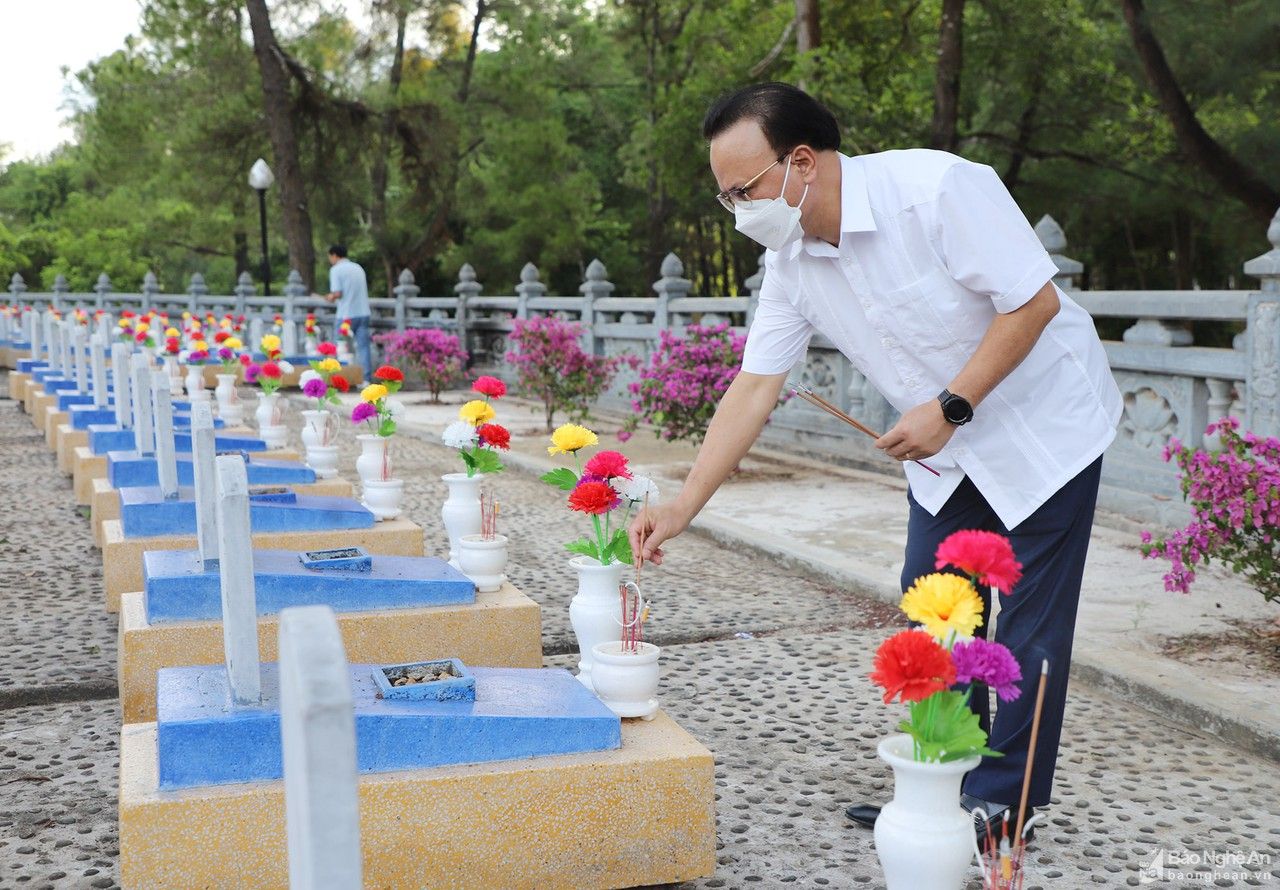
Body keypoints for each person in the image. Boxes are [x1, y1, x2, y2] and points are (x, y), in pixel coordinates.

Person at [627, 82, 1122, 848]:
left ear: (800, 161)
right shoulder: (792, 263)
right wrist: (683, 505)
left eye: (744, 190)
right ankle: (945, 783)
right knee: (933, 609)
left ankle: (1003, 803)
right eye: (725, 198)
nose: (739, 211)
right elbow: (755, 386)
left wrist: (952, 406)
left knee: (1026, 629)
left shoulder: (935, 190)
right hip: (944, 460)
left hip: (1041, 430)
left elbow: (1032, 304)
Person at [320, 244, 372, 374]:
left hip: (346, 315)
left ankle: (340, 377)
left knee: (341, 347)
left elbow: (338, 293)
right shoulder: (358, 267)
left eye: (330, 257)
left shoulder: (336, 269)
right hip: (364, 313)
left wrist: (330, 297)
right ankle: (365, 378)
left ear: (334, 255)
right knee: (363, 348)